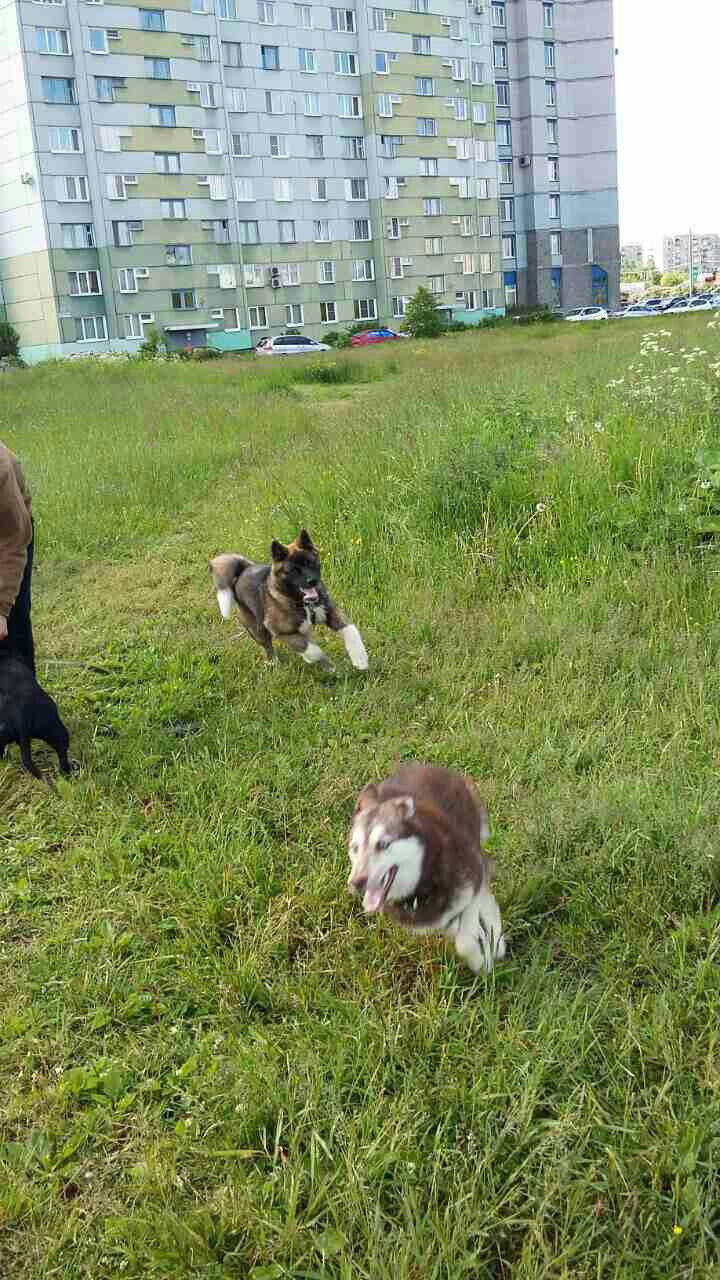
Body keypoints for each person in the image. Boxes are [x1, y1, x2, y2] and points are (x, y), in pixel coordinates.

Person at [0, 442, 35, 674]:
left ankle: (25, 707)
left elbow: (12, 539)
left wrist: (1, 608)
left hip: (9, 534)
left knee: (13, 626)